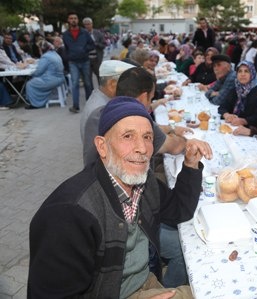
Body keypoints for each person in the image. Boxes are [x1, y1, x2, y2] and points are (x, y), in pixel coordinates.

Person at [28, 96, 212, 298]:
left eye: (147, 137)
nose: (142, 148)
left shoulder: (143, 182)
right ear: (102, 146)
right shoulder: (68, 215)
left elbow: (179, 210)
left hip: (145, 280)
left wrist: (191, 164)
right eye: (127, 136)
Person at [80, 59, 135, 147]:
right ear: (112, 84)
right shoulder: (102, 109)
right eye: (129, 84)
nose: (132, 88)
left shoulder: (101, 97)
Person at [63, 12, 95, 113]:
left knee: (88, 83)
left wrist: (84, 49)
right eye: (71, 18)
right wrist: (69, 56)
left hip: (85, 61)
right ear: (68, 20)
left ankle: (89, 104)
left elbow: (92, 45)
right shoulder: (65, 34)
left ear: (78, 20)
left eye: (75, 18)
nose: (73, 20)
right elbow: (66, 48)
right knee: (75, 83)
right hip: (73, 62)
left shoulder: (84, 32)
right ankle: (75, 106)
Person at [218, 60, 257, 127]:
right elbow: (222, 107)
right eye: (240, 71)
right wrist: (226, 115)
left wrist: (243, 121)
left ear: (252, 74)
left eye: (246, 71)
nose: (242, 74)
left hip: (248, 130)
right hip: (231, 126)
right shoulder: (235, 90)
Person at [25, 40, 65, 109]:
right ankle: (36, 100)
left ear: (41, 48)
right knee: (35, 81)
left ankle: (35, 104)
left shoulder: (45, 57)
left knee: (30, 84)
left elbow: (39, 72)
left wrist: (31, 74)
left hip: (53, 80)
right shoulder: (54, 53)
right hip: (60, 78)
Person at [83, 17, 106, 85]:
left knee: (100, 77)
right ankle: (91, 94)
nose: (87, 26)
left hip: (97, 59)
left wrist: (96, 43)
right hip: (86, 59)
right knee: (88, 79)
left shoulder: (98, 33)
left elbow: (103, 45)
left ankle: (101, 93)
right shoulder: (82, 34)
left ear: (92, 24)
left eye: (89, 24)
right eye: (86, 24)